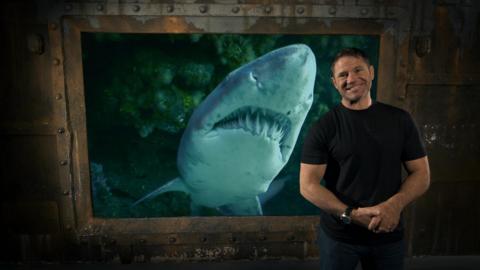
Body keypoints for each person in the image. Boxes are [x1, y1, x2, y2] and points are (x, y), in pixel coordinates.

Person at [299, 48, 430, 270]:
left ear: (371, 72)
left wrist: (393, 206)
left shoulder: (400, 120)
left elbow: (422, 174)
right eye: (343, 75)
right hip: (339, 238)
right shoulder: (324, 127)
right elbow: (307, 185)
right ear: (334, 82)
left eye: (358, 70)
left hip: (388, 233)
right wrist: (351, 214)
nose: (351, 79)